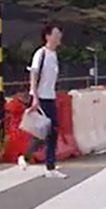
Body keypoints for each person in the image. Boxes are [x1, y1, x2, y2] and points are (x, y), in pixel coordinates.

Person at [18, 24, 68, 178]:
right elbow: (34, 75)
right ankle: (48, 166)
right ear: (47, 36)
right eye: (56, 33)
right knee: (48, 132)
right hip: (41, 98)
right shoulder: (41, 53)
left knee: (46, 132)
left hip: (50, 97)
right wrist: (35, 98)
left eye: (59, 34)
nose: (59, 36)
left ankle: (29, 159)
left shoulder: (54, 55)